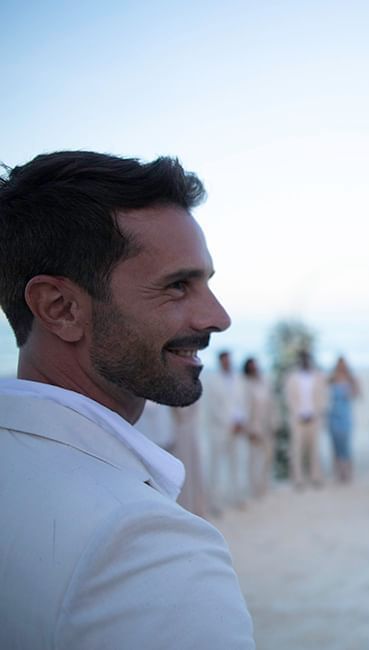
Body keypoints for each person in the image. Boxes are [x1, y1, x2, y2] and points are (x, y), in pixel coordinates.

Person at [0, 151, 254, 647]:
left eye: (207, 283)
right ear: (62, 308)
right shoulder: (145, 548)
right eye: (178, 286)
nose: (218, 317)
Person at [204, 350, 248, 510]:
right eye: (224, 360)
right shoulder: (212, 381)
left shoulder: (238, 378)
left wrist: (241, 422)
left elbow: (242, 402)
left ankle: (238, 497)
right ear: (219, 362)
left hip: (238, 428)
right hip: (220, 430)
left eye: (229, 360)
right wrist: (229, 423)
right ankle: (215, 503)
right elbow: (213, 407)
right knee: (216, 467)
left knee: (237, 464)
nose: (227, 363)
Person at [284, 349, 328, 489]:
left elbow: (323, 397)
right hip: (298, 419)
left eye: (307, 358)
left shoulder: (318, 376)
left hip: (314, 418)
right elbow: (289, 399)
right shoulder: (292, 378)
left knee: (314, 449)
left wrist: (315, 413)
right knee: (297, 450)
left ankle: (315, 477)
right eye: (302, 358)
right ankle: (298, 479)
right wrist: (298, 413)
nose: (305, 361)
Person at [242, 357, 277, 498]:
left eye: (255, 366)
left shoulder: (264, 382)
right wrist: (250, 429)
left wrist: (274, 423)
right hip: (254, 428)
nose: (254, 368)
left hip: (267, 426)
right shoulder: (244, 385)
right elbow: (245, 408)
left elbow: (272, 404)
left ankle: (265, 486)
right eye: (251, 366)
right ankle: (254, 489)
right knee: (254, 459)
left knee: (268, 457)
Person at [327, 354, 360, 483]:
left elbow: (357, 394)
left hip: (345, 417)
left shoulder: (350, 379)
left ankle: (347, 473)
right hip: (333, 416)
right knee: (335, 446)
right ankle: (338, 474)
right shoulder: (332, 379)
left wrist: (351, 389)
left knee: (346, 446)